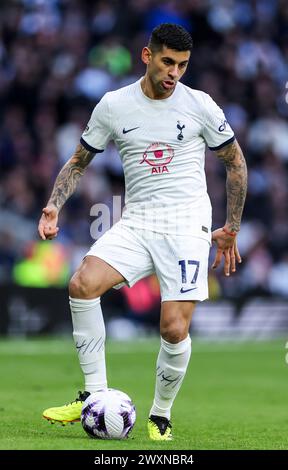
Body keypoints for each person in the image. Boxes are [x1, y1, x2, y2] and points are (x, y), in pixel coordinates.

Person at [38, 23, 247, 441]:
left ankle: (160, 415)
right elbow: (79, 161)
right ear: (147, 56)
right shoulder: (114, 105)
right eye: (168, 62)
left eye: (183, 65)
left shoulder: (200, 105)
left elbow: (235, 163)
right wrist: (53, 205)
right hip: (137, 221)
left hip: (188, 225)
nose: (174, 73)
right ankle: (93, 395)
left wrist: (231, 228)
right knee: (82, 284)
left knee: (173, 328)